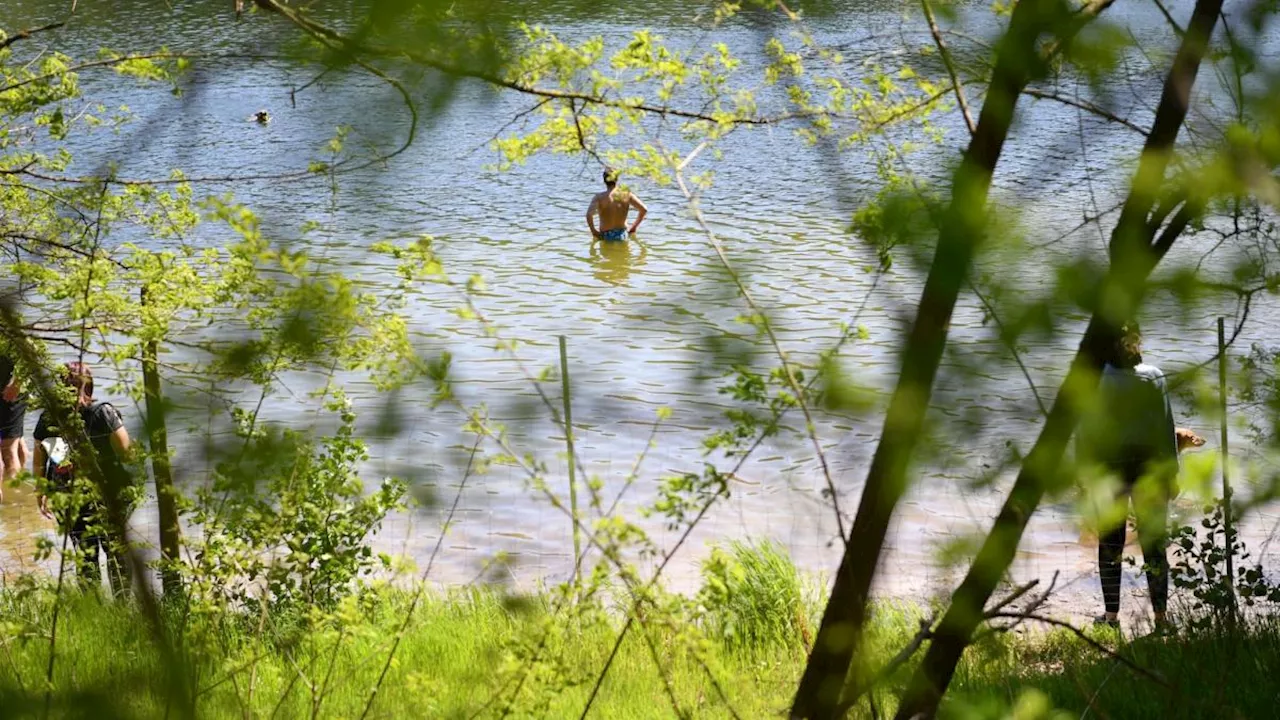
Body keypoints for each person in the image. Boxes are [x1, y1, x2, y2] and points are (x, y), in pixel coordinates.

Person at [1079, 321, 1197, 631]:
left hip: (1112, 469)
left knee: (1110, 543)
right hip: (1149, 470)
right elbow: (1164, 429)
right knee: (1154, 543)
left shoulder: (1097, 379)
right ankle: (1161, 620)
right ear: (1138, 342)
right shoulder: (1154, 376)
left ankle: (1111, 617)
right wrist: (1172, 474)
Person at [33, 362, 135, 594]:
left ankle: (93, 608)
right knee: (116, 551)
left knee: (85, 553)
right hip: (109, 493)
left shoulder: (49, 418)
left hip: (68, 496)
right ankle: (121, 607)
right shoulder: (103, 413)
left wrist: (41, 491)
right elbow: (127, 455)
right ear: (88, 387)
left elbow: (41, 460)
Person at [586, 167, 647, 241]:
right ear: (617, 179)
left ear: (604, 180)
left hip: (606, 235)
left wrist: (594, 231)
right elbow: (644, 209)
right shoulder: (627, 194)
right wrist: (634, 227)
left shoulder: (599, 197)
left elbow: (589, 215)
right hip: (623, 234)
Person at [0, 351, 28, 502]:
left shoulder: (13, 329)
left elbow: (31, 352)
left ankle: (11, 504)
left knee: (8, 451)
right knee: (17, 444)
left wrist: (17, 382)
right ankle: (17, 491)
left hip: (11, 388)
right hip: (9, 384)